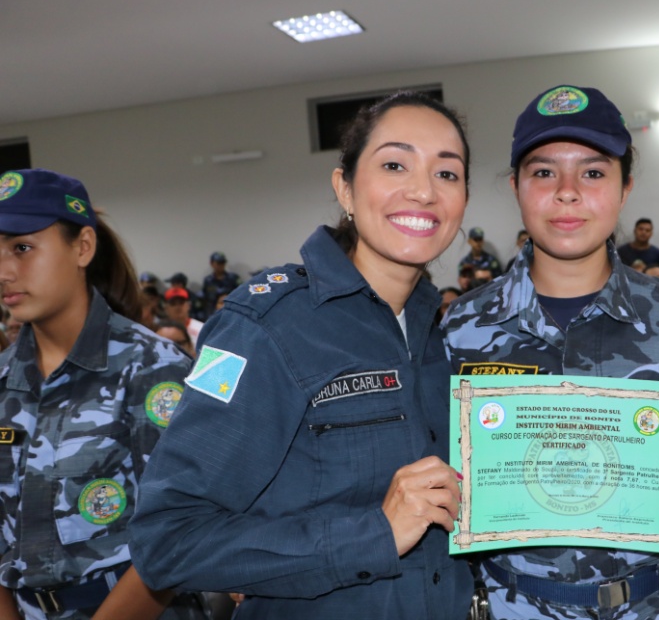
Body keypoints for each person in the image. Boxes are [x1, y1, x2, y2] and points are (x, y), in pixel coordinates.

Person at [129, 92, 474, 618]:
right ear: (345, 188)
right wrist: (373, 533)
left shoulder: (443, 335)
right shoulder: (266, 327)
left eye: (447, 174)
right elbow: (168, 541)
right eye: (394, 164)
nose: (424, 191)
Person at [443, 84, 659, 620]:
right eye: (544, 172)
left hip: (655, 604)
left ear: (625, 188)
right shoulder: (463, 327)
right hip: (510, 607)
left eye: (593, 172)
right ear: (516, 187)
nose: (567, 192)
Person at [0, 169, 204, 619]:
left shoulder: (153, 368)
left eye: (22, 248)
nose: (4, 271)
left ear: (83, 247)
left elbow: (178, 527)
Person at [200, 251, 241, 319]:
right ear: (212, 263)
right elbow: (206, 300)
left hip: (232, 312)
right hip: (213, 313)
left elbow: (240, 296)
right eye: (218, 263)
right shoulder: (208, 281)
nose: (221, 265)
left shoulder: (233, 278)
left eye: (223, 263)